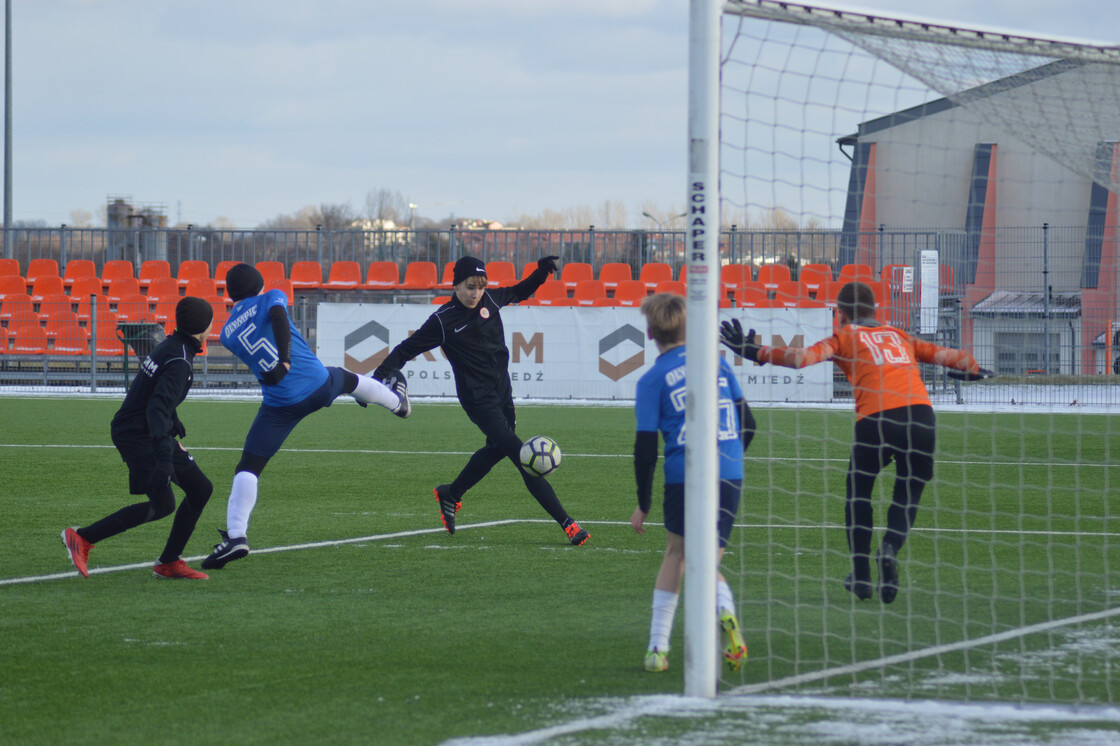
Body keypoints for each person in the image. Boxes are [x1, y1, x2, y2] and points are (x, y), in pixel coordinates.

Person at [720, 280, 993, 603]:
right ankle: (890, 547)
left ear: (841, 313)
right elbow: (952, 356)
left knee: (859, 494)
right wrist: (974, 370)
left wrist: (753, 351)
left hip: (876, 421)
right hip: (920, 417)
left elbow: (801, 358)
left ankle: (862, 575)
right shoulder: (899, 335)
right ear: (875, 311)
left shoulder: (845, 336)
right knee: (908, 490)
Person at [201, 263, 410, 569]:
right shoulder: (271, 295)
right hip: (315, 385)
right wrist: (285, 359)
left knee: (249, 466)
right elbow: (277, 317)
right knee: (348, 379)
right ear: (259, 285)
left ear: (230, 295)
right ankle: (397, 403)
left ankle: (236, 535)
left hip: (278, 403)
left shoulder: (227, 332)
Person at [373, 255, 589, 546]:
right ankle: (568, 524)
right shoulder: (442, 320)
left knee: (496, 449)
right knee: (523, 456)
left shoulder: (491, 300)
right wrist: (379, 378)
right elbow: (405, 350)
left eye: (480, 287)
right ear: (456, 285)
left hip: (503, 392)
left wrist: (541, 272)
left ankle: (451, 493)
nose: (476, 293)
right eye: (470, 286)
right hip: (478, 401)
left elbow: (520, 290)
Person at [632, 292, 756, 673]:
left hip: (683, 473)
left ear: (651, 333)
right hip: (729, 472)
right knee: (708, 559)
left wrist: (644, 503)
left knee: (677, 554)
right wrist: (730, 457)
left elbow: (645, 449)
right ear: (689, 326)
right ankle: (727, 616)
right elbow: (749, 424)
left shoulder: (652, 379)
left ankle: (657, 647)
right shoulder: (718, 364)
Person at [62, 296, 217, 580]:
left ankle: (169, 561)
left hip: (147, 427)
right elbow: (157, 406)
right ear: (203, 327)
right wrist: (163, 458)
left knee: (200, 488)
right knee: (163, 505)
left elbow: (155, 395)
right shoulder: (180, 358)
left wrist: (174, 421)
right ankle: (81, 538)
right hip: (137, 433)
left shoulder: (172, 346)